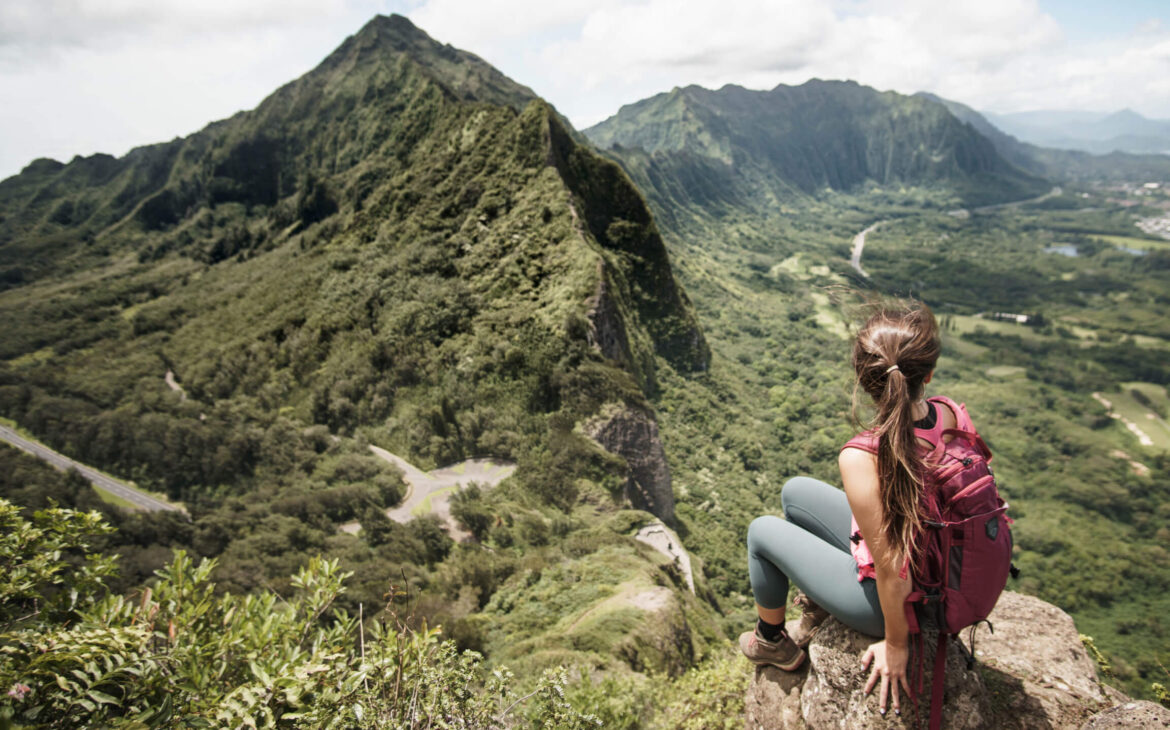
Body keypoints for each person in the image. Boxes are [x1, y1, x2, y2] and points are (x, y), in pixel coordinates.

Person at [740, 301, 954, 718]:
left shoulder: (862, 455)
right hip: (941, 568)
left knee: (761, 532)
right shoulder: (947, 413)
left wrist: (896, 645)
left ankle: (771, 641)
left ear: (863, 378)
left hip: (899, 602)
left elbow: (894, 569)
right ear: (928, 374)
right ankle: (821, 602)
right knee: (794, 492)